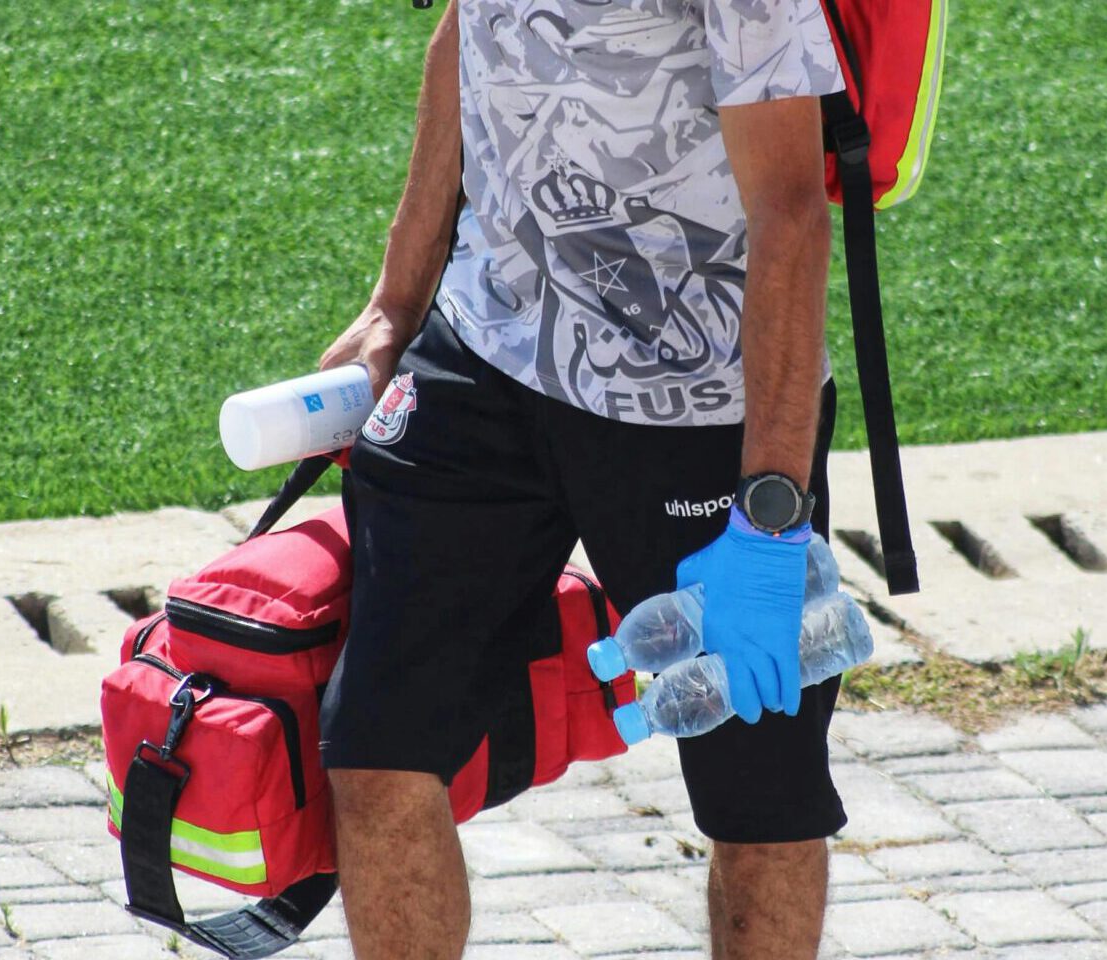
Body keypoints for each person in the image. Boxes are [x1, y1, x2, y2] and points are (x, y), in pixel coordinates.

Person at [316, 1, 848, 956]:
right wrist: (398, 299)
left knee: (758, 803)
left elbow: (792, 207)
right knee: (375, 748)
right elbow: (468, 30)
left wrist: (771, 514)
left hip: (695, 410)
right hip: (489, 348)